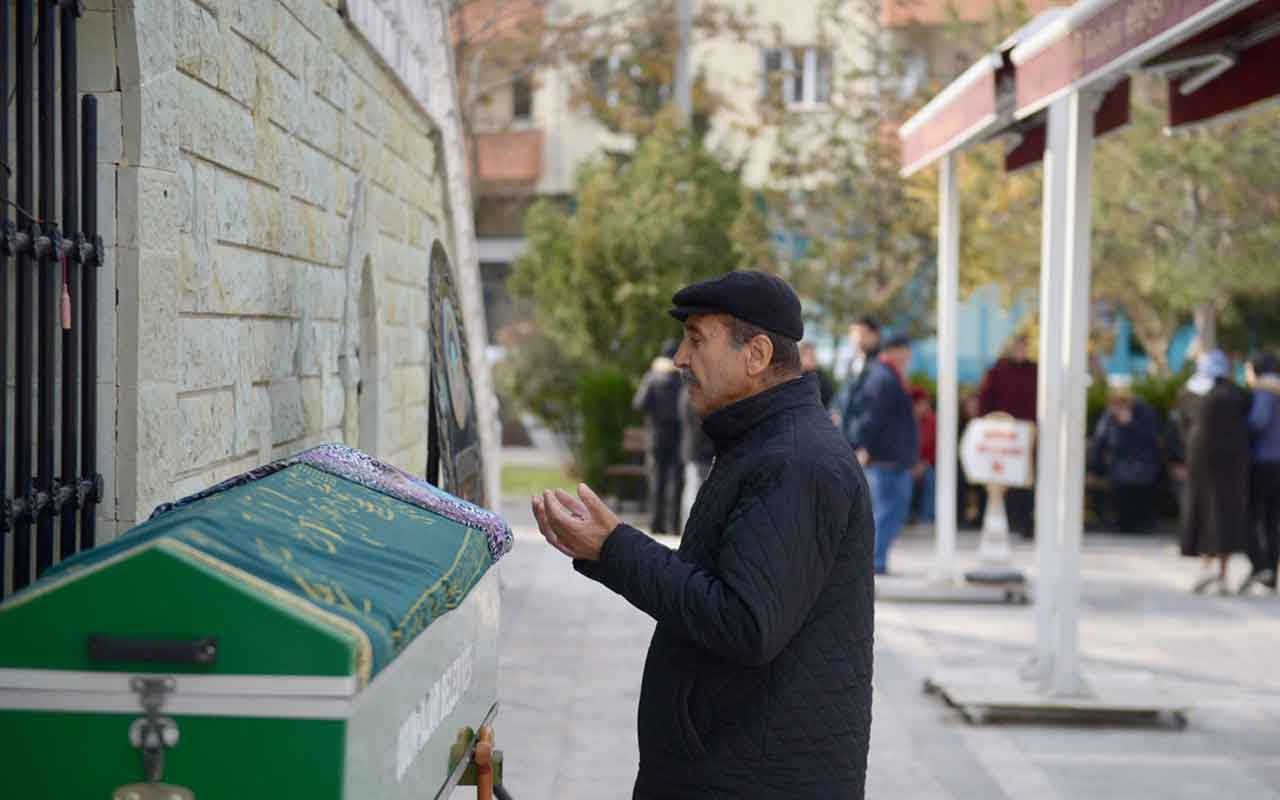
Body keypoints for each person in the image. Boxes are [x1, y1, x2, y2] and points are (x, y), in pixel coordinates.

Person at [531, 270, 873, 799]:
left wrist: (614, 547)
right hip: (730, 763)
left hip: (750, 776)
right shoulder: (765, 444)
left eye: (695, 340)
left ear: (756, 355)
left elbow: (744, 622)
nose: (680, 359)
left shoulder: (794, 461)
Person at [1177, 350, 1252, 594]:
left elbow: (1183, 428)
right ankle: (1221, 571)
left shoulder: (1188, 393)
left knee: (1203, 510)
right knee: (1225, 513)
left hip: (1199, 460)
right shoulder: (1237, 394)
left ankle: (1206, 567)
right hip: (1232, 465)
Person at [848, 334, 919, 574]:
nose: (908, 357)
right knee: (886, 512)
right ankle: (874, 563)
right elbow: (871, 416)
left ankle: (877, 561)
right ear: (895, 351)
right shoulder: (883, 378)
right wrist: (865, 447)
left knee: (891, 512)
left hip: (893, 458)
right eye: (906, 351)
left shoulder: (890, 376)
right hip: (885, 459)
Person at [978, 335, 1037, 537]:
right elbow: (986, 401)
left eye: (1024, 346)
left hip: (1028, 434)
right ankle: (1008, 521)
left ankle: (1026, 522)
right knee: (1005, 478)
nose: (1021, 350)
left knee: (1026, 479)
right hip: (1003, 435)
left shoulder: (1034, 371)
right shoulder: (998, 371)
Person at [1087, 376, 1162, 533]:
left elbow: (1152, 439)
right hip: (1118, 464)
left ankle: (1141, 524)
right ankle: (1123, 523)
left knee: (1139, 484)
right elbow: (1100, 441)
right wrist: (1093, 468)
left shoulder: (1144, 412)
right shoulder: (1109, 415)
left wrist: (1130, 424)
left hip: (1143, 463)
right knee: (1120, 483)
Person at [634, 341, 684, 533]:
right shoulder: (682, 379)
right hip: (679, 436)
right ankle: (674, 525)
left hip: (656, 435)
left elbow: (639, 403)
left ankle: (656, 524)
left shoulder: (652, 378)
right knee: (676, 481)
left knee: (657, 480)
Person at [1240, 353, 1280, 594]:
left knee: (1252, 515)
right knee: (1273, 521)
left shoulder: (1265, 391)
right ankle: (1272, 574)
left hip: (1264, 462)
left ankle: (1260, 564)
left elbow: (1257, 422)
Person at [830, 316, 881, 437]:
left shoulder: (880, 367)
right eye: (853, 333)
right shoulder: (852, 364)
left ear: (875, 335)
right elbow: (840, 397)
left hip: (866, 441)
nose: (855, 338)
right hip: (845, 438)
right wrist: (834, 411)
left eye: (860, 333)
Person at [678, 382, 714, 529]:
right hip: (700, 450)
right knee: (694, 491)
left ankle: (688, 528)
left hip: (693, 450)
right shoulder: (696, 396)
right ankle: (690, 529)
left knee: (692, 489)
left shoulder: (685, 394)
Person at [910, 386, 936, 524]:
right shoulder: (904, 421)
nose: (924, 407)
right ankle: (903, 517)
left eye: (926, 403)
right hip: (907, 465)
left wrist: (924, 464)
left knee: (931, 478)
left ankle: (926, 518)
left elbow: (935, 448)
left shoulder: (932, 421)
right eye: (920, 403)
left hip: (926, 464)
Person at [800, 341, 836, 407]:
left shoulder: (822, 377)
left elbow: (832, 399)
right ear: (801, 357)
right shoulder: (796, 378)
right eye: (810, 356)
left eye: (814, 355)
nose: (814, 358)